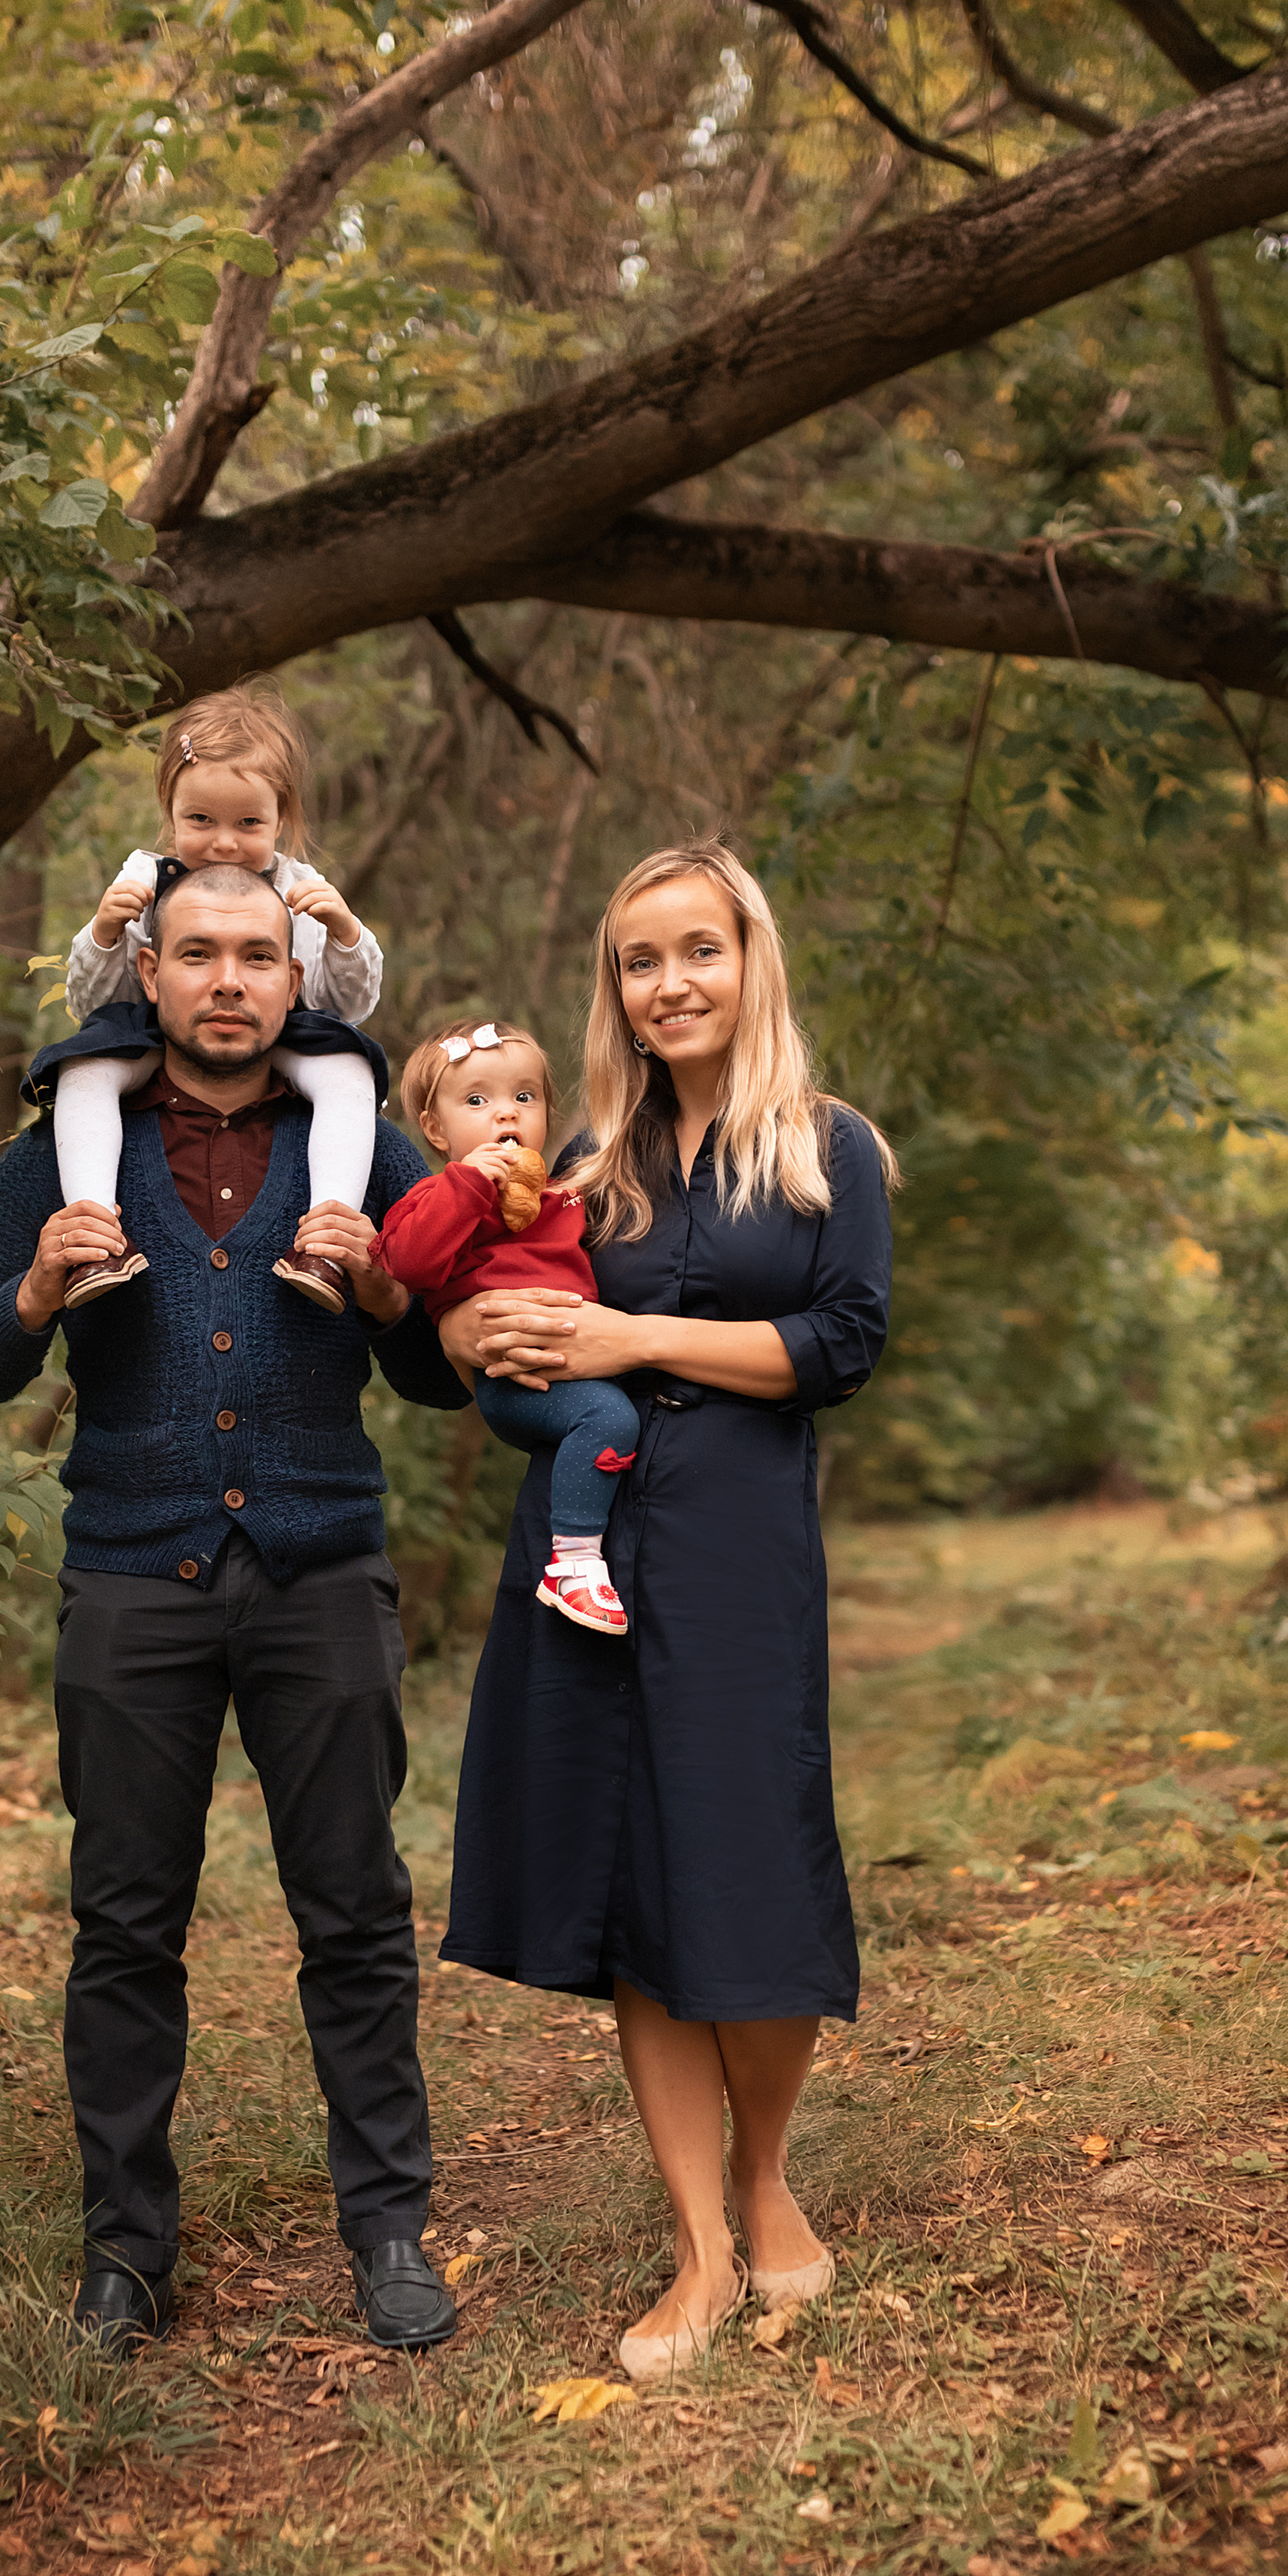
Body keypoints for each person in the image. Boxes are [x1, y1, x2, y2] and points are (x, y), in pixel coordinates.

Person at [0, 861, 467, 2359]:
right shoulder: (60, 1155)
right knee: (123, 1929)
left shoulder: (366, 1153)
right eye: (197, 956)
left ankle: (387, 2232)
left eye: (255, 958)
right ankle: (126, 2257)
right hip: (127, 1579)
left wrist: (388, 1301)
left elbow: (446, 1377)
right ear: (145, 977)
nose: (227, 982)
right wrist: (29, 1295)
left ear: (296, 983)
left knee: (353, 1916)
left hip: (322, 1576)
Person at [436, 846, 895, 2383]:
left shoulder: (829, 1151)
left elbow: (840, 1343)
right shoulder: (579, 1159)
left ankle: (768, 2181)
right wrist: (476, 1328)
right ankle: (698, 2245)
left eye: (696, 949)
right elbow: (493, 1303)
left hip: (740, 1543)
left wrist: (633, 1330)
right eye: (639, 961)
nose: (669, 983)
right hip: (588, 1547)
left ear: (748, 960)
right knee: (631, 1872)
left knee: (743, 1854)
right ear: (614, 990)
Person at [46, 684, 383, 1315]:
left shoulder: (302, 888)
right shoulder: (144, 879)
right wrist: (105, 931)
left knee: (351, 1071)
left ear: (282, 820)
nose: (224, 842)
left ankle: (326, 1242)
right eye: (201, 820)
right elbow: (95, 1002)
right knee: (82, 1070)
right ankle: (95, 1239)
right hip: (163, 1037)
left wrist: (345, 934)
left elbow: (349, 1005)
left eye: (248, 823)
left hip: (281, 1038)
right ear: (170, 812)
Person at [373, 1016, 639, 1635]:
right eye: (477, 1100)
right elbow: (408, 1263)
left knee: (619, 1411)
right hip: (512, 1378)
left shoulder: (567, 1196)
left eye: (525, 1097)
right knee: (609, 1418)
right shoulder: (437, 1195)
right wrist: (468, 1187)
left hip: (573, 1362)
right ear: (436, 1129)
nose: (506, 1115)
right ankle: (573, 1565)